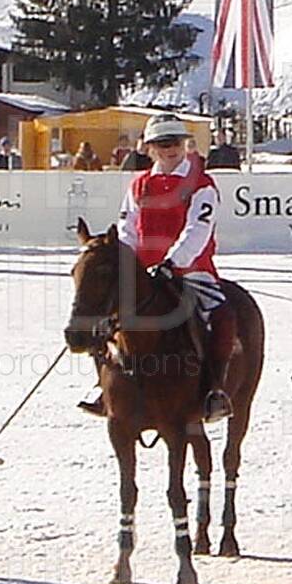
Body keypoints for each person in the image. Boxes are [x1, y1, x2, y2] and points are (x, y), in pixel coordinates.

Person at [75, 114, 240, 422]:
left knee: (222, 316)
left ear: (184, 143)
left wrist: (172, 263)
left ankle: (214, 390)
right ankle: (104, 386)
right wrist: (127, 262)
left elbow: (197, 230)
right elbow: (128, 229)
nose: (169, 149)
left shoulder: (201, 184)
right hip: (143, 272)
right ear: (150, 148)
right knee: (101, 312)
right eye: (161, 144)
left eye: (174, 142)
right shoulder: (138, 185)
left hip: (192, 270)